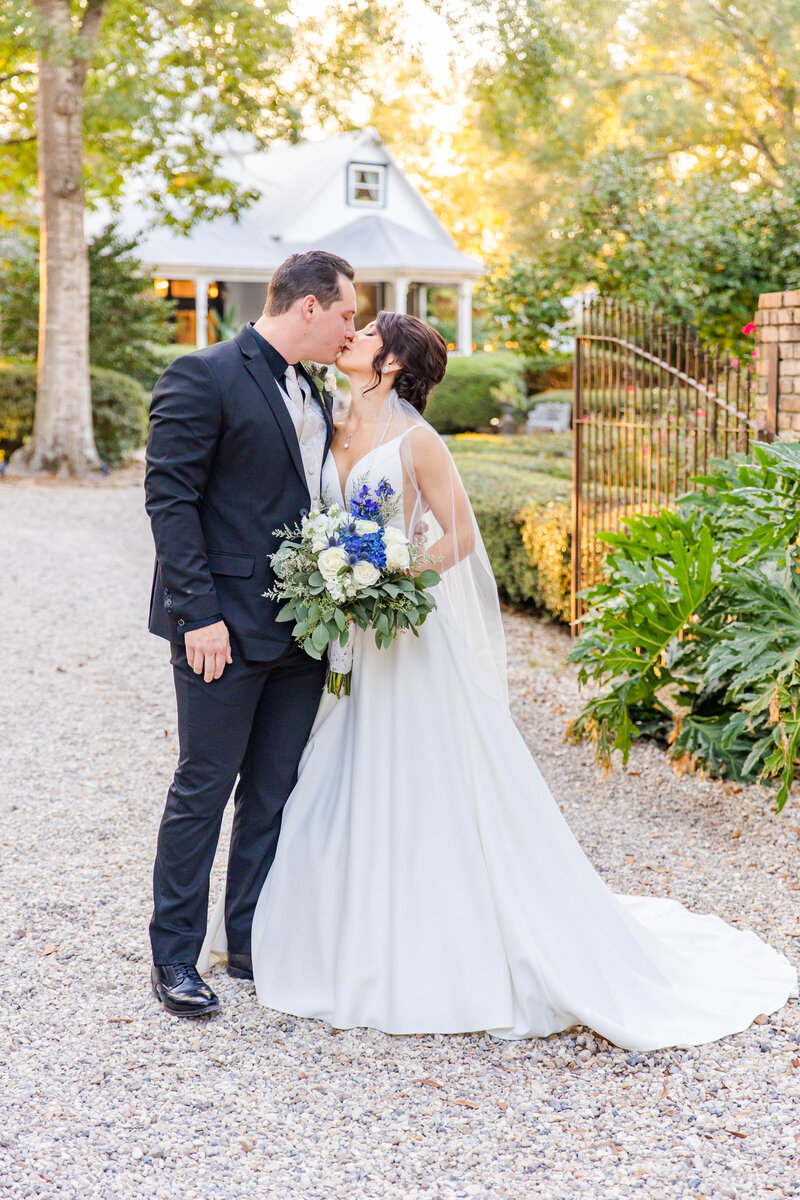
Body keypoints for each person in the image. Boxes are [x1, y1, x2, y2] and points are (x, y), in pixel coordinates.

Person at [200, 310, 797, 1049]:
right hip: (344, 639)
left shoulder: (417, 441)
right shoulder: (326, 420)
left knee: (423, 775)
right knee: (325, 771)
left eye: (367, 332)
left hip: (405, 634)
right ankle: (307, 928)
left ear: (390, 364)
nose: (350, 335)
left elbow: (458, 538)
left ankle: (434, 940)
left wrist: (383, 575)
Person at [145, 250, 356, 1017]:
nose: (349, 329)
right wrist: (196, 615)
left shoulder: (316, 386)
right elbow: (170, 498)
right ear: (309, 307)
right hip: (221, 629)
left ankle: (248, 942)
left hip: (302, 630)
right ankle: (174, 960)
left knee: (271, 793)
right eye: (345, 315)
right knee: (204, 788)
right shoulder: (202, 374)